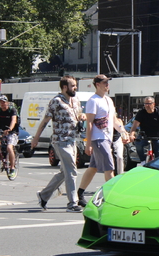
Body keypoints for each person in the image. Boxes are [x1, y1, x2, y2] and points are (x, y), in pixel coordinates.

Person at [31, 76, 84, 212]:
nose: (75, 88)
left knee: (64, 172)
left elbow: (79, 115)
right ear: (65, 87)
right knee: (71, 171)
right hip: (61, 141)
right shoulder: (56, 101)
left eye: (75, 85)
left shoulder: (76, 100)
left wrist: (82, 117)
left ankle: (44, 195)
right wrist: (36, 138)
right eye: (73, 85)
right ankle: (72, 203)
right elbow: (45, 120)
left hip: (73, 140)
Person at [77, 74, 128, 206]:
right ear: (97, 85)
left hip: (107, 138)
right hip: (98, 138)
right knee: (109, 168)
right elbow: (89, 123)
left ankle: (80, 194)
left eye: (108, 83)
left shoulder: (108, 100)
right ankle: (112, 198)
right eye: (105, 83)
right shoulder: (93, 101)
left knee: (93, 167)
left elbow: (114, 120)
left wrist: (123, 131)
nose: (107, 85)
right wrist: (88, 143)